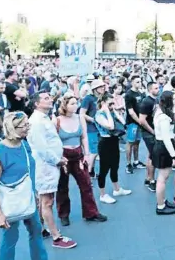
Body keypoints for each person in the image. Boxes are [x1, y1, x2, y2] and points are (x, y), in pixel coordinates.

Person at [0, 112, 49, 260]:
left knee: (36, 232)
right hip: (10, 201)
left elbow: (29, 171)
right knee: (10, 239)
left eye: (28, 124)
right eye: (25, 125)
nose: (28, 128)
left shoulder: (24, 144)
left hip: (28, 198)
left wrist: (34, 194)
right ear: (12, 128)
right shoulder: (0, 153)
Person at [28, 92, 77, 249]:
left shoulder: (43, 118)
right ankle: (56, 237)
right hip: (45, 166)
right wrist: (57, 159)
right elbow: (41, 147)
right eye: (46, 98)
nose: (50, 100)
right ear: (36, 103)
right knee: (47, 201)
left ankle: (41, 229)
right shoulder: (36, 122)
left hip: (48, 164)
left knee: (44, 200)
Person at [54, 93, 107, 226]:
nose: (75, 105)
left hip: (78, 155)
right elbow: (53, 141)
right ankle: (63, 214)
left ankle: (91, 212)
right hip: (63, 156)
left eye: (76, 103)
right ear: (64, 105)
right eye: (72, 103)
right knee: (62, 187)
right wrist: (58, 157)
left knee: (86, 184)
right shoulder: (56, 120)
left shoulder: (79, 118)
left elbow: (84, 137)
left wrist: (87, 154)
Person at [94, 93, 132, 204]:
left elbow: (123, 122)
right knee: (104, 169)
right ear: (103, 103)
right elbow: (110, 126)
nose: (111, 106)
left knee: (115, 166)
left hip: (114, 141)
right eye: (109, 104)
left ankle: (117, 189)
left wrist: (113, 111)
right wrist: (106, 111)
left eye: (112, 103)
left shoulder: (111, 112)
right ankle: (102, 194)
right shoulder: (99, 115)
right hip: (105, 142)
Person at [151, 91, 175, 215]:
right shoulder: (163, 117)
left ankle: (163, 200)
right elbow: (166, 139)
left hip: (160, 145)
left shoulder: (159, 112)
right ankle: (160, 206)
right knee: (162, 178)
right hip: (163, 147)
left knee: (163, 177)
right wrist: (174, 155)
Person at [80, 79, 106, 177]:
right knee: (93, 152)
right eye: (100, 86)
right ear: (94, 89)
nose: (103, 88)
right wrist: (94, 120)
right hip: (91, 129)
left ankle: (92, 171)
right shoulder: (88, 98)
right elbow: (82, 114)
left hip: (101, 128)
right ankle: (88, 173)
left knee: (97, 151)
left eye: (103, 86)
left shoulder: (101, 98)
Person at [139, 82, 160, 192]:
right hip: (149, 133)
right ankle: (151, 180)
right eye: (156, 88)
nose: (158, 89)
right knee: (153, 156)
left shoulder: (155, 100)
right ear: (150, 89)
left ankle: (148, 178)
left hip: (152, 132)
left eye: (158, 88)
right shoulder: (147, 102)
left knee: (151, 155)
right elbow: (142, 120)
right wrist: (153, 131)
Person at [124, 75, 146, 175]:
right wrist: (139, 121)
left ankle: (136, 161)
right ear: (132, 82)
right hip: (132, 122)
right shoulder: (129, 94)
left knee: (137, 142)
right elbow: (131, 111)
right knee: (130, 143)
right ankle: (128, 164)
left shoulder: (141, 93)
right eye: (137, 82)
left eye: (140, 81)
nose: (139, 83)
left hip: (140, 121)